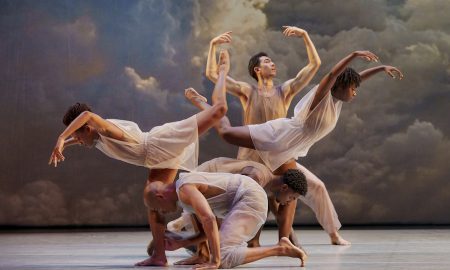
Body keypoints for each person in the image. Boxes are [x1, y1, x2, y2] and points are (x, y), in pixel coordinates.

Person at [195, 48, 403, 245]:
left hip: (288, 150)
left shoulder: (337, 100)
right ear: (339, 86)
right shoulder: (322, 97)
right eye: (353, 88)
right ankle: (205, 106)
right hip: (279, 136)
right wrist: (354, 55)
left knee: (307, 188)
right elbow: (332, 74)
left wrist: (380, 69)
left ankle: (296, 238)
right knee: (226, 134)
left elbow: (353, 79)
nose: (355, 92)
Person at [49, 50, 232, 266]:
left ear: (87, 129)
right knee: (154, 202)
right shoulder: (95, 138)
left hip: (161, 142)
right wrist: (67, 145)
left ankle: (221, 73)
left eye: (78, 135)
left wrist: (62, 138)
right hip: (156, 158)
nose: (78, 140)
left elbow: (88, 116)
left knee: (220, 111)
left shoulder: (107, 130)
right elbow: (83, 135)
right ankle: (162, 256)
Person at [205, 27, 351, 245]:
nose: (272, 64)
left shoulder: (285, 91)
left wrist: (305, 36)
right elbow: (213, 75)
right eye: (267, 62)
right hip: (252, 156)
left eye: (272, 61)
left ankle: (329, 233)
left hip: (279, 155)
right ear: (256, 69)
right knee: (253, 196)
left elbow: (314, 66)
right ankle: (255, 239)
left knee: (315, 187)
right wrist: (213, 46)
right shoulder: (247, 91)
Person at [141, 170, 308, 269]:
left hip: (250, 197)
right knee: (221, 252)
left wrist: (215, 259)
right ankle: (280, 247)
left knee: (223, 257)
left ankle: (280, 248)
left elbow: (209, 219)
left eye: (156, 208)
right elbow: (211, 229)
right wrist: (181, 244)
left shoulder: (185, 188)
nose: (160, 212)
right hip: (247, 197)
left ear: (160, 196)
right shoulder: (184, 194)